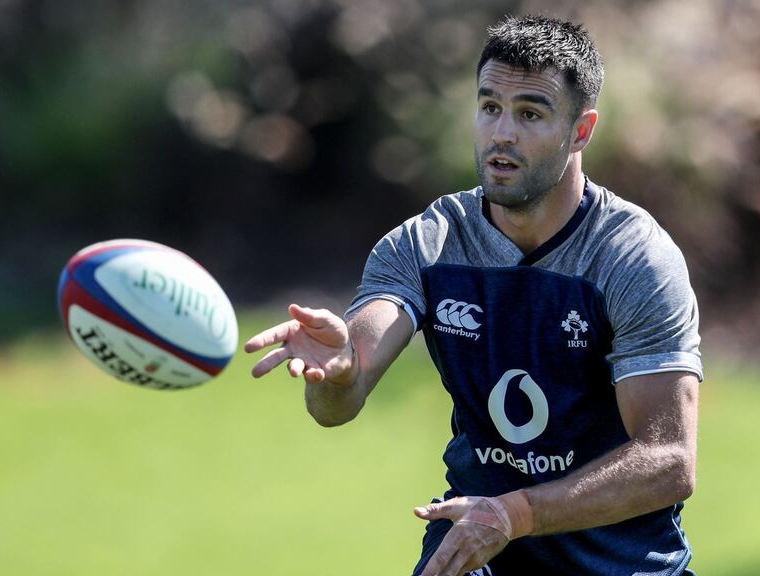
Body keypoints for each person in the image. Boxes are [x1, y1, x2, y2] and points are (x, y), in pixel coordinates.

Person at [245, 15, 703, 576]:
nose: (501, 133)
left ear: (580, 131)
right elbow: (341, 399)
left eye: (530, 114)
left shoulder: (632, 258)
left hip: (622, 564)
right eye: (489, 108)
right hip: (472, 547)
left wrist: (515, 513)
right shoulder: (428, 244)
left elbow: (669, 461)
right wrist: (339, 374)